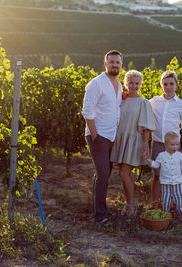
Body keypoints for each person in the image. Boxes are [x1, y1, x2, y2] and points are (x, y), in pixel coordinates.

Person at [82, 50, 123, 224]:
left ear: (121, 65)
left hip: (111, 136)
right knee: (104, 173)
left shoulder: (119, 84)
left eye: (118, 62)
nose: (115, 65)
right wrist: (95, 135)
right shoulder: (96, 83)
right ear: (105, 64)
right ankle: (99, 215)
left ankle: (101, 209)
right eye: (111, 62)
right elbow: (86, 111)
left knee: (104, 174)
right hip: (98, 135)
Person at [110, 70, 155, 217]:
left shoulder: (144, 103)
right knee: (123, 172)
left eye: (137, 83)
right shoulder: (121, 99)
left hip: (133, 140)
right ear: (126, 83)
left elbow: (147, 127)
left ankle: (131, 204)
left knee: (124, 173)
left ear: (141, 84)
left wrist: (145, 145)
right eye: (131, 82)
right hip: (120, 139)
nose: (134, 86)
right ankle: (131, 201)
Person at [149, 70, 182, 209]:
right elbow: (141, 105)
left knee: (173, 178)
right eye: (165, 84)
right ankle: (155, 206)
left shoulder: (181, 105)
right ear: (161, 85)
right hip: (158, 144)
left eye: (171, 84)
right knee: (157, 176)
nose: (168, 87)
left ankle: (171, 207)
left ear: (176, 85)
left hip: (173, 146)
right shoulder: (154, 101)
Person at [146, 131, 182, 223]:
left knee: (180, 198)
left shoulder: (179, 155)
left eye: (177, 144)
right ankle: (166, 215)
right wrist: (149, 160)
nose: (175, 147)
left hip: (178, 182)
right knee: (166, 199)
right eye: (172, 145)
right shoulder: (161, 156)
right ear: (165, 144)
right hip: (165, 183)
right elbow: (156, 165)